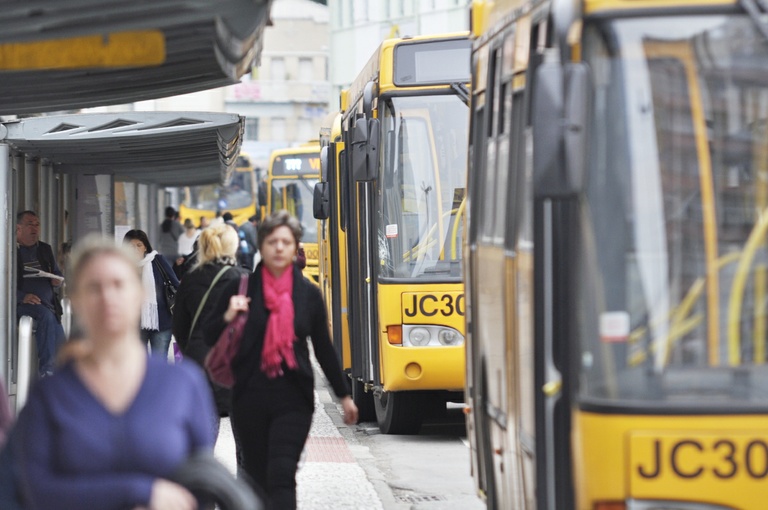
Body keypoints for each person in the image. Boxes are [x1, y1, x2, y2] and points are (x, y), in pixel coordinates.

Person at [14, 236, 215, 510]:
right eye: (94, 287)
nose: (108, 297)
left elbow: (204, 486)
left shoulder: (183, 384)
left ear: (141, 294)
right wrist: (140, 492)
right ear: (77, 299)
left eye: (119, 284)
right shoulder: (50, 396)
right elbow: (34, 489)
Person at [204, 210, 358, 509]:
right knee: (258, 478)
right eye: (272, 241)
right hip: (248, 398)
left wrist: (345, 396)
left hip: (294, 399)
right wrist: (228, 315)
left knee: (281, 474)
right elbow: (209, 335)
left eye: (286, 242)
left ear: (294, 247)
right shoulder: (239, 288)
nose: (279, 248)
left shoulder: (308, 295)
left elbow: (324, 348)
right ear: (261, 246)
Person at [173, 223, 249, 436]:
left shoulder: (189, 280)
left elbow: (180, 328)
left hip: (201, 364)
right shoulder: (244, 278)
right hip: (239, 367)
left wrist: (196, 348)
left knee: (204, 439)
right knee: (246, 447)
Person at [16, 211, 66, 377]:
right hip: (23, 304)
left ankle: (63, 382)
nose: (35, 228)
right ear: (18, 229)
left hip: (49, 305)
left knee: (63, 348)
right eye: (30, 224)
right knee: (45, 316)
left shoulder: (45, 249)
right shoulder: (11, 250)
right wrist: (21, 296)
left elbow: (57, 274)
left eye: (37, 224)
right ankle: (46, 371)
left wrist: (57, 281)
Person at [123, 229, 179, 359]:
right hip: (134, 324)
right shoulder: (122, 265)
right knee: (137, 363)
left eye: (139, 245)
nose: (135, 249)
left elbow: (175, 283)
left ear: (145, 247)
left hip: (162, 322)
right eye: (131, 246)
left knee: (159, 362)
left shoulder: (157, 260)